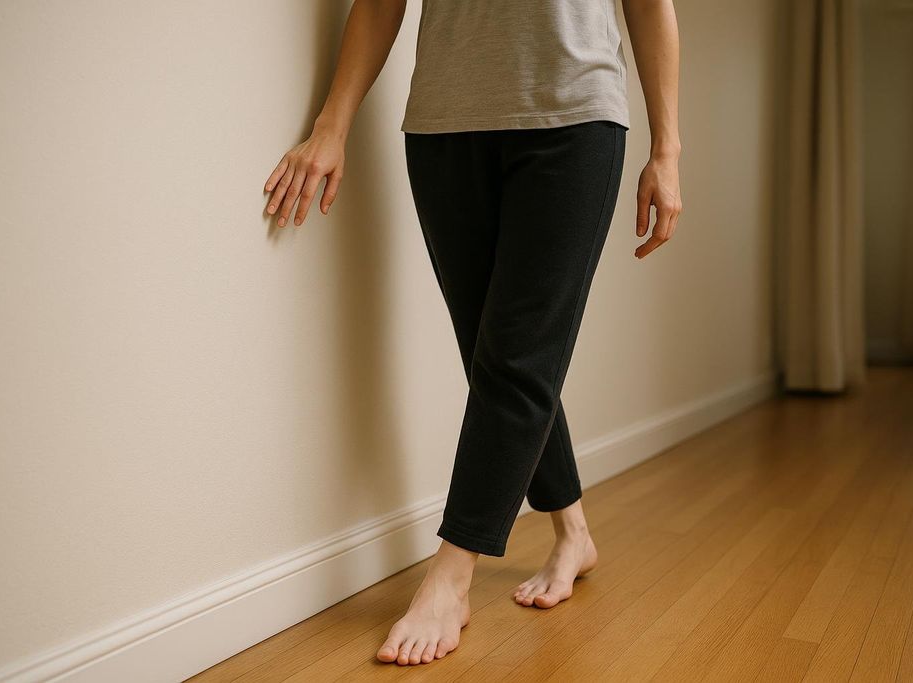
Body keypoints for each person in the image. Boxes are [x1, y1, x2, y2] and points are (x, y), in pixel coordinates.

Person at [263, 0, 681, 667]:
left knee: (517, 354)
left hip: (574, 115)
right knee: (493, 353)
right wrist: (331, 125)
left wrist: (667, 149)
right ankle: (574, 531)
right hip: (443, 124)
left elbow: (650, 5)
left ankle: (451, 577)